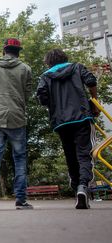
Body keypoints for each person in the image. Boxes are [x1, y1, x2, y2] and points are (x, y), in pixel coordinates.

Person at [37, 49, 98, 209]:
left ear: (48, 62)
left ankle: (76, 185)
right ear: (65, 57)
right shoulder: (77, 68)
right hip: (82, 117)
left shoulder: (45, 76)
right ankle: (83, 186)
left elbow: (42, 98)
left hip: (61, 122)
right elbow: (91, 81)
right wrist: (95, 102)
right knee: (85, 154)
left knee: (70, 155)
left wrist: (54, 103)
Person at [0, 38, 33, 210]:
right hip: (17, 117)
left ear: (4, 51)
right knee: (19, 158)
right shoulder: (25, 69)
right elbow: (27, 94)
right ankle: (20, 200)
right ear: (18, 52)